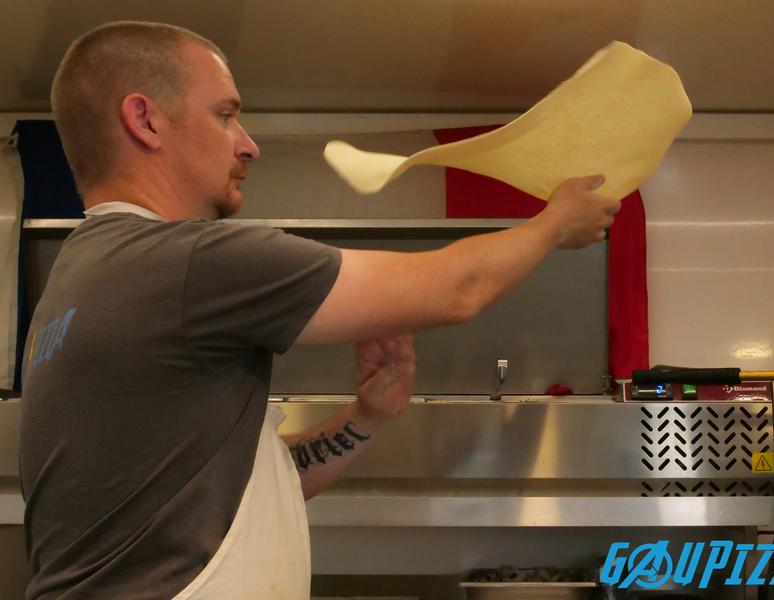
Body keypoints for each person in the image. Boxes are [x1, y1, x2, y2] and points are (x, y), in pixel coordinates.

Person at [18, 21, 620, 600]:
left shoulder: (76, 279)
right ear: (145, 119)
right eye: (224, 115)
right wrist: (555, 224)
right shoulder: (189, 263)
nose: (248, 144)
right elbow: (456, 289)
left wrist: (366, 417)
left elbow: (242, 487)